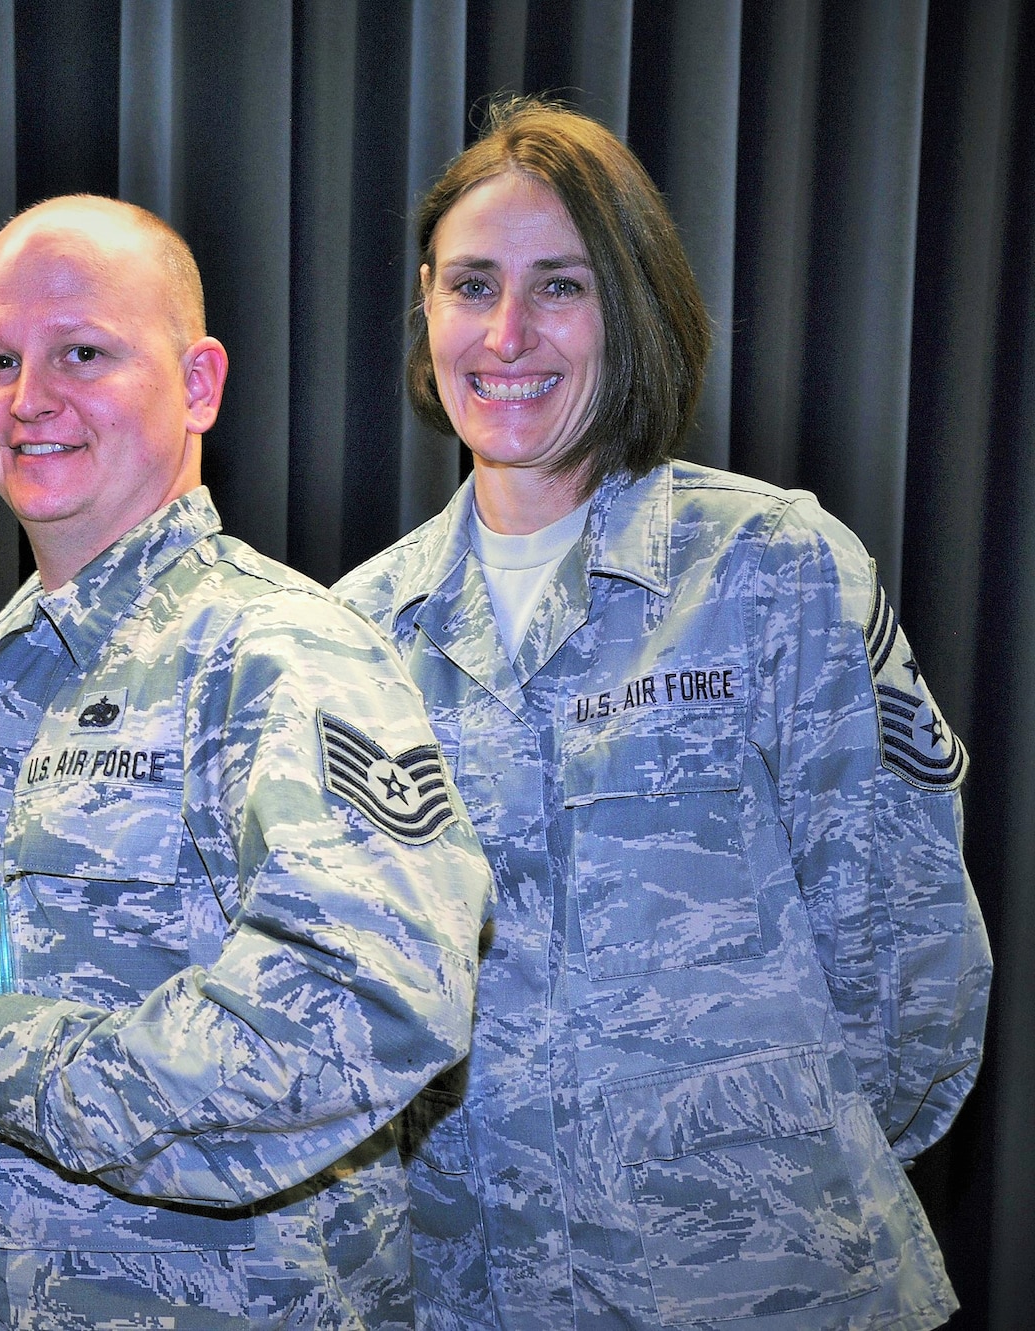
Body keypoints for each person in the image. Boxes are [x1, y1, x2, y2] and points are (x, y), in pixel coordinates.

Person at [332, 99, 991, 1330]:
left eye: (560, 286)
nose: (507, 333)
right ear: (425, 306)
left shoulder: (771, 567)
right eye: (471, 285)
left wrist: (759, 1175)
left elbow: (906, 963)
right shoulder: (355, 633)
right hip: (468, 1292)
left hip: (763, 1284)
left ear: (628, 305)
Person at [0, 195, 494, 1331]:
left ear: (197, 383)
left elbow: (369, 1001)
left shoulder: (279, 652)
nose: (30, 397)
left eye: (82, 352)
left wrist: (4, 1063)